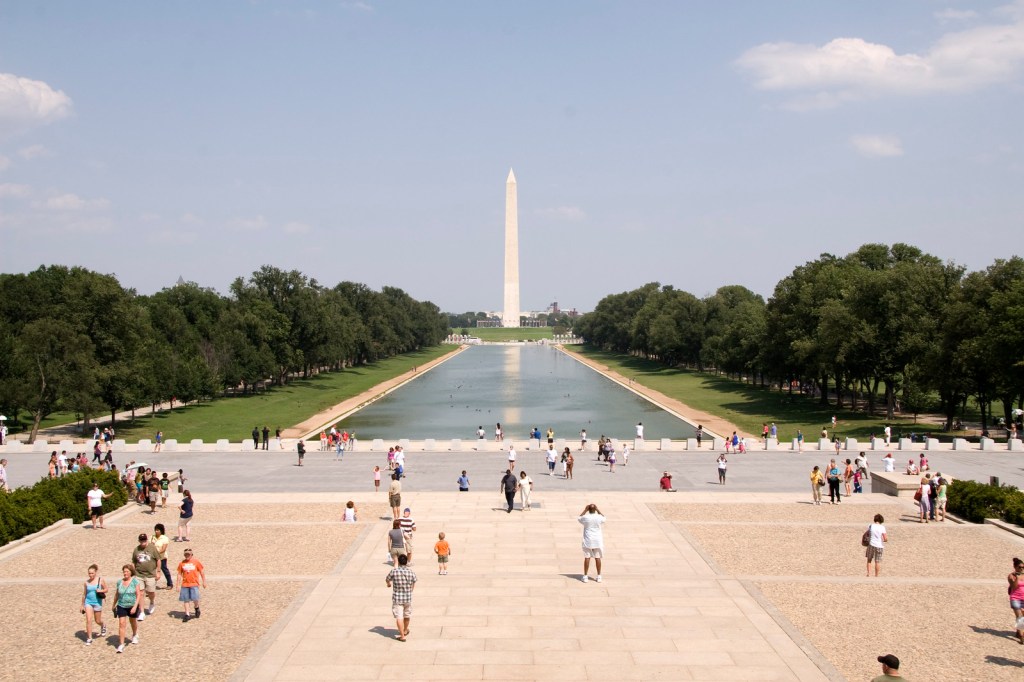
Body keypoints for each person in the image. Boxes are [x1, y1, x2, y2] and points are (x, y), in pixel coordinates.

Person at [385, 553, 417, 641]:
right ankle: (405, 629)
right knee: (407, 615)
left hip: (397, 598)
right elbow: (414, 582)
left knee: (399, 617)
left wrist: (388, 584)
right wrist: (411, 590)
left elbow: (387, 579)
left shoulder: (394, 571)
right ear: (406, 562)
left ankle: (402, 636)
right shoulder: (411, 572)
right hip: (407, 597)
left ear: (398, 562)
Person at [113, 564, 144, 652]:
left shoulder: (135, 582)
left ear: (131, 572)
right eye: (124, 571)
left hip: (132, 605)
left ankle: (134, 634)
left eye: (127, 571)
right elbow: (117, 594)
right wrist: (113, 605)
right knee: (122, 624)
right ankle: (121, 644)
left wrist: (135, 606)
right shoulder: (119, 582)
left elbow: (138, 595)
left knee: (132, 621)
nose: (125, 573)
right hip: (121, 605)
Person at [130, 533, 160, 620]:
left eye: (144, 540)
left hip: (150, 574)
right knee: (140, 593)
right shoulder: (136, 549)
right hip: (139, 574)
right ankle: (142, 612)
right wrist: (133, 572)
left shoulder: (152, 548)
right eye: (141, 540)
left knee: (151, 592)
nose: (143, 542)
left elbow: (158, 560)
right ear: (139, 541)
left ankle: (152, 601)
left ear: (146, 540)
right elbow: (133, 561)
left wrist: (158, 571)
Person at [80, 563, 108, 645]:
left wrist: (101, 591)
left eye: (92, 573)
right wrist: (82, 604)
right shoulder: (86, 583)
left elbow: (106, 589)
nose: (90, 575)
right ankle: (89, 638)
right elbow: (84, 594)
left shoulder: (100, 580)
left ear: (95, 573)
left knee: (97, 620)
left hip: (97, 602)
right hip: (88, 602)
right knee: (88, 620)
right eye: (89, 573)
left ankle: (103, 625)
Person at [578, 503, 606, 583]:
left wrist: (585, 510)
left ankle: (585, 576)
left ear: (588, 510)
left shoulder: (586, 517)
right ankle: (599, 576)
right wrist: (598, 510)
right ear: (595, 509)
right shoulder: (599, 517)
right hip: (597, 541)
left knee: (587, 557)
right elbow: (604, 518)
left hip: (588, 540)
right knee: (597, 558)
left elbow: (579, 518)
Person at [177, 548, 206, 622]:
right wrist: (178, 584)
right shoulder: (182, 563)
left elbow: (201, 571)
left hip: (194, 583)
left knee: (195, 598)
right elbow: (179, 574)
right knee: (186, 599)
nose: (187, 556)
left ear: (191, 555)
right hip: (185, 584)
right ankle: (187, 614)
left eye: (188, 554)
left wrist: (204, 581)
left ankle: (196, 607)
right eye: (186, 554)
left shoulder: (196, 562)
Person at [1008, 557, 1024, 645]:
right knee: (1020, 617)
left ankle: (1018, 631)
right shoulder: (1011, 576)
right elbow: (1014, 587)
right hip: (1015, 598)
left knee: (1022, 616)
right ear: (1015, 567)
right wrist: (1017, 578)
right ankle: (1022, 636)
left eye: (1023, 567)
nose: (1021, 569)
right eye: (1019, 567)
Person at [153, 524, 173, 590]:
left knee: (165, 570)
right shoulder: (152, 537)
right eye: (155, 530)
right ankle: (151, 586)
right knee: (152, 571)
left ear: (161, 531)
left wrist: (156, 553)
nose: (156, 531)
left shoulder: (164, 538)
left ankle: (170, 583)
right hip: (153, 557)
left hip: (162, 557)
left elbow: (163, 549)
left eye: (158, 530)